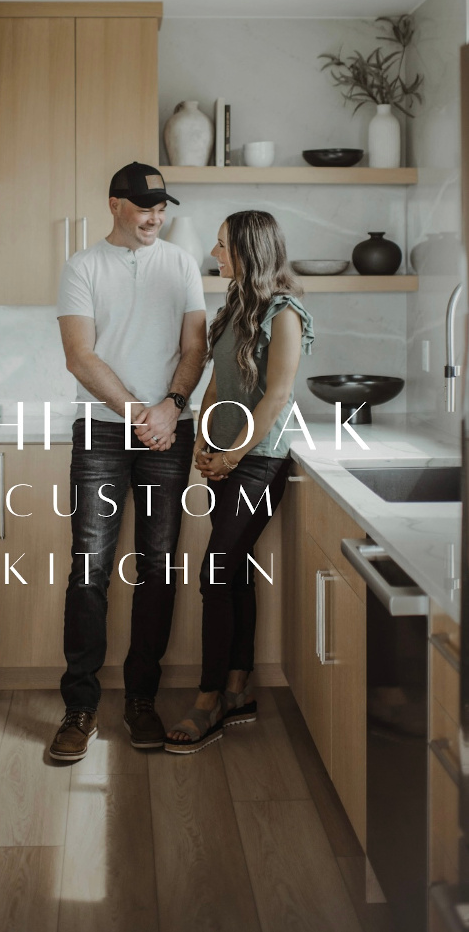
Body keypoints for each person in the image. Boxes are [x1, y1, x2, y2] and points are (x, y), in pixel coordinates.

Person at [50, 162, 207, 762]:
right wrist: (140, 412)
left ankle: (141, 699)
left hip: (170, 430)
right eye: (143, 206)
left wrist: (170, 407)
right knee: (88, 568)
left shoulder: (181, 265)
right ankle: (80, 706)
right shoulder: (81, 267)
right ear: (115, 204)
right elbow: (78, 355)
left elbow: (194, 347)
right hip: (101, 432)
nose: (155, 217)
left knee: (158, 566)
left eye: (161, 206)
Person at [164, 209, 314, 753]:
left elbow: (276, 397)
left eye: (223, 245)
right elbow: (215, 384)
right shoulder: (233, 309)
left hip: (259, 460)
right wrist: (205, 442)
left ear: (250, 250)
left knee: (216, 573)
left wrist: (232, 457)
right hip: (226, 456)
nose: (214, 252)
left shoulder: (285, 313)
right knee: (234, 574)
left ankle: (208, 700)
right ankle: (238, 688)